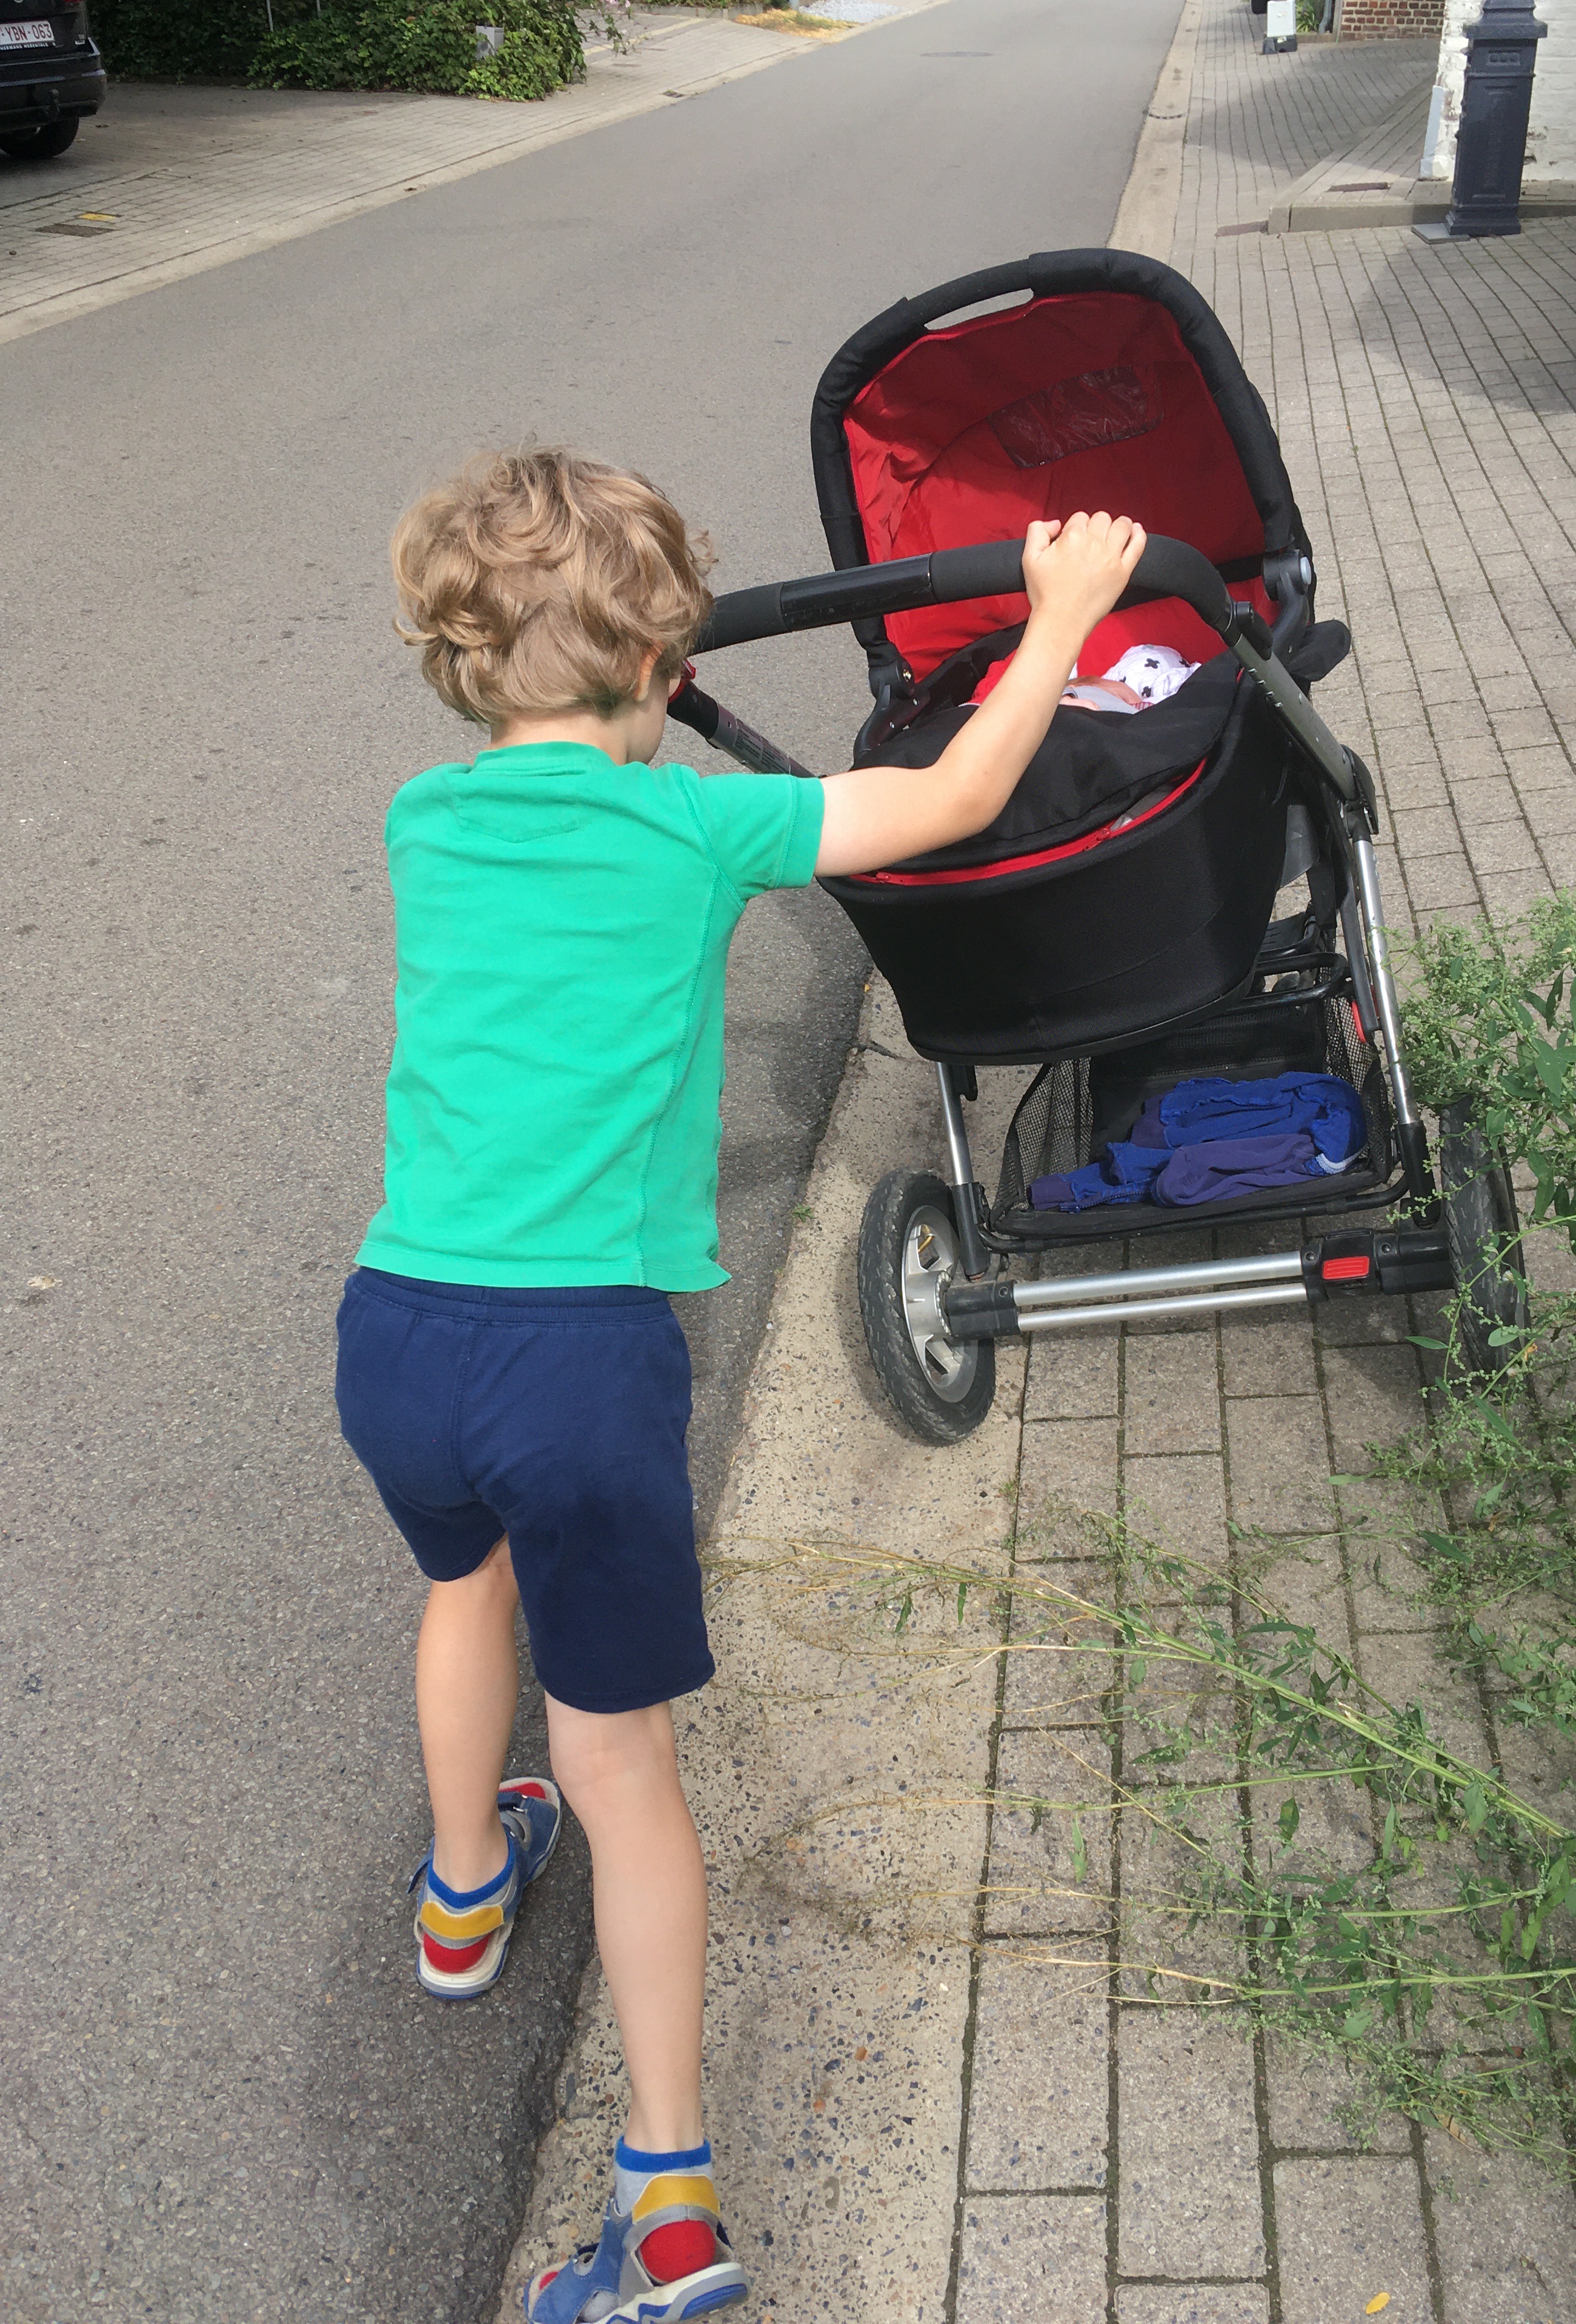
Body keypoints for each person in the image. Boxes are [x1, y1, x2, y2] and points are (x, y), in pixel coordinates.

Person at [334, 450, 1144, 2324]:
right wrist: (1062, 618)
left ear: (460, 664)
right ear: (660, 660)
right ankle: (671, 2206)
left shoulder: (421, 822)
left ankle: (461, 1897)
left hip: (399, 1330)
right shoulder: (701, 830)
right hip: (578, 1361)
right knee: (618, 1762)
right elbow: (954, 796)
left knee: (461, 1586)